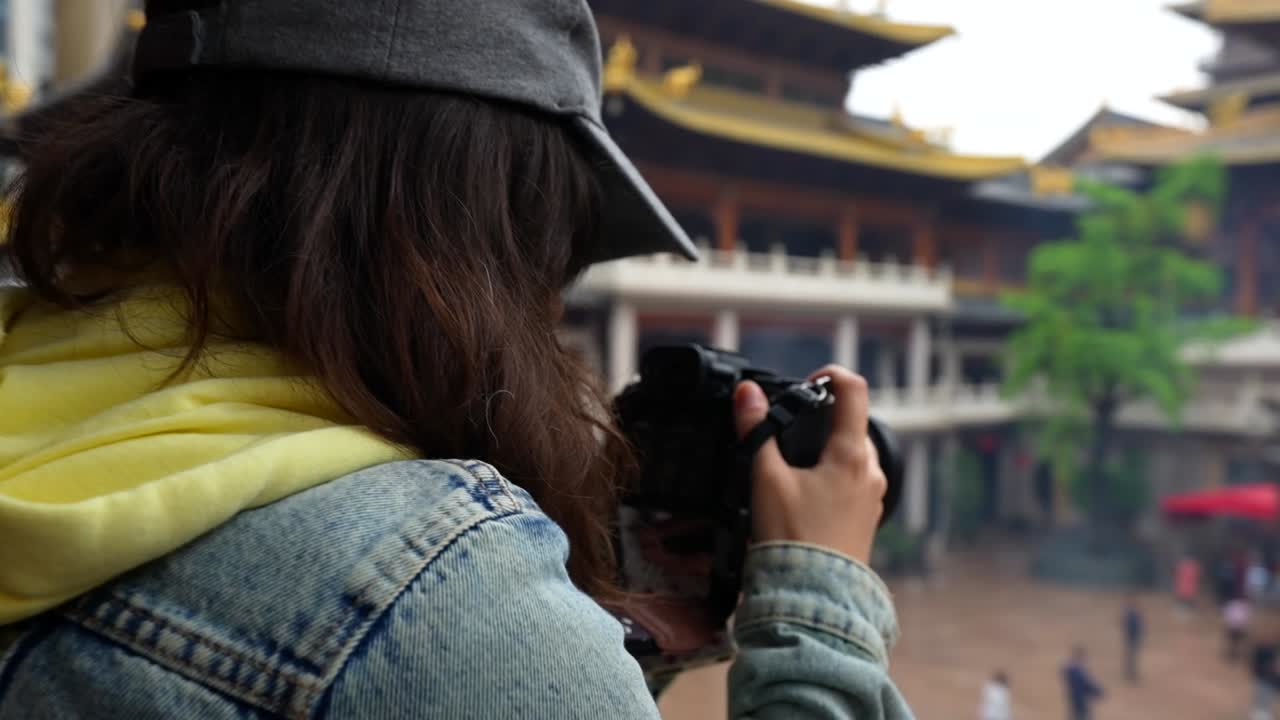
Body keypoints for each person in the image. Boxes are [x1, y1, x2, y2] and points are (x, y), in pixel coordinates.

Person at [0, 1, 910, 718]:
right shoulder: (440, 595)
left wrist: (606, 642)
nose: (548, 304)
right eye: (553, 245)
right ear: (477, 228)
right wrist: (819, 599)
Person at [1062, 646, 1104, 720]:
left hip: (1075, 699)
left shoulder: (1072, 669)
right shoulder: (1078, 671)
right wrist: (1097, 692)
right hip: (1080, 700)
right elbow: (1086, 684)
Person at [1122, 595, 1145, 683]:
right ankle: (1130, 672)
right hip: (1130, 636)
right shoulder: (1128, 612)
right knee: (1131, 655)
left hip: (1134, 636)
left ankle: (1130, 672)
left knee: (1132, 655)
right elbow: (1125, 624)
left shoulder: (1134, 612)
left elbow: (1141, 625)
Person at [1227, 597, 1253, 662]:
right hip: (1235, 628)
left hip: (1239, 628)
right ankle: (1234, 654)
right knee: (1234, 643)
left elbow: (1247, 619)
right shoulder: (1235, 606)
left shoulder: (1243, 607)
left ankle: (1238, 654)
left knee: (1238, 642)